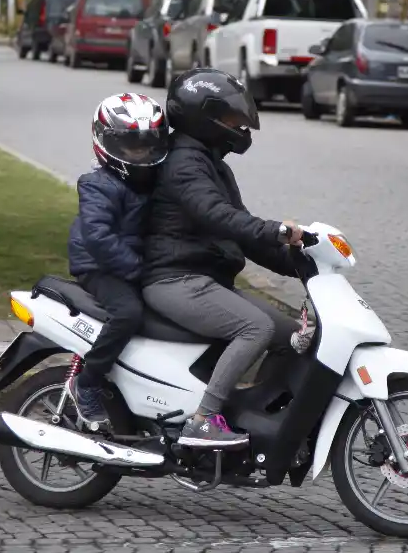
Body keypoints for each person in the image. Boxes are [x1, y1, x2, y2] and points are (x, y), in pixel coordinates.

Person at [141, 68, 304, 449]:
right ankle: (203, 421)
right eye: (231, 118)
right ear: (204, 117)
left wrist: (303, 264)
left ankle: (256, 414)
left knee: (293, 336)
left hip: (204, 279)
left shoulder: (213, 164)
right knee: (255, 328)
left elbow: (241, 234)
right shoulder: (184, 164)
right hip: (174, 279)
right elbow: (218, 214)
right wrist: (275, 228)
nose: (239, 126)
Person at [66, 92, 170, 425]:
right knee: (127, 313)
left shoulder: (155, 181)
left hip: (133, 263)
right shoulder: (97, 184)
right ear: (105, 142)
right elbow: (98, 238)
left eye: (147, 145)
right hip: (99, 267)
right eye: (131, 146)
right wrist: (137, 271)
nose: (141, 154)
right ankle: (87, 382)